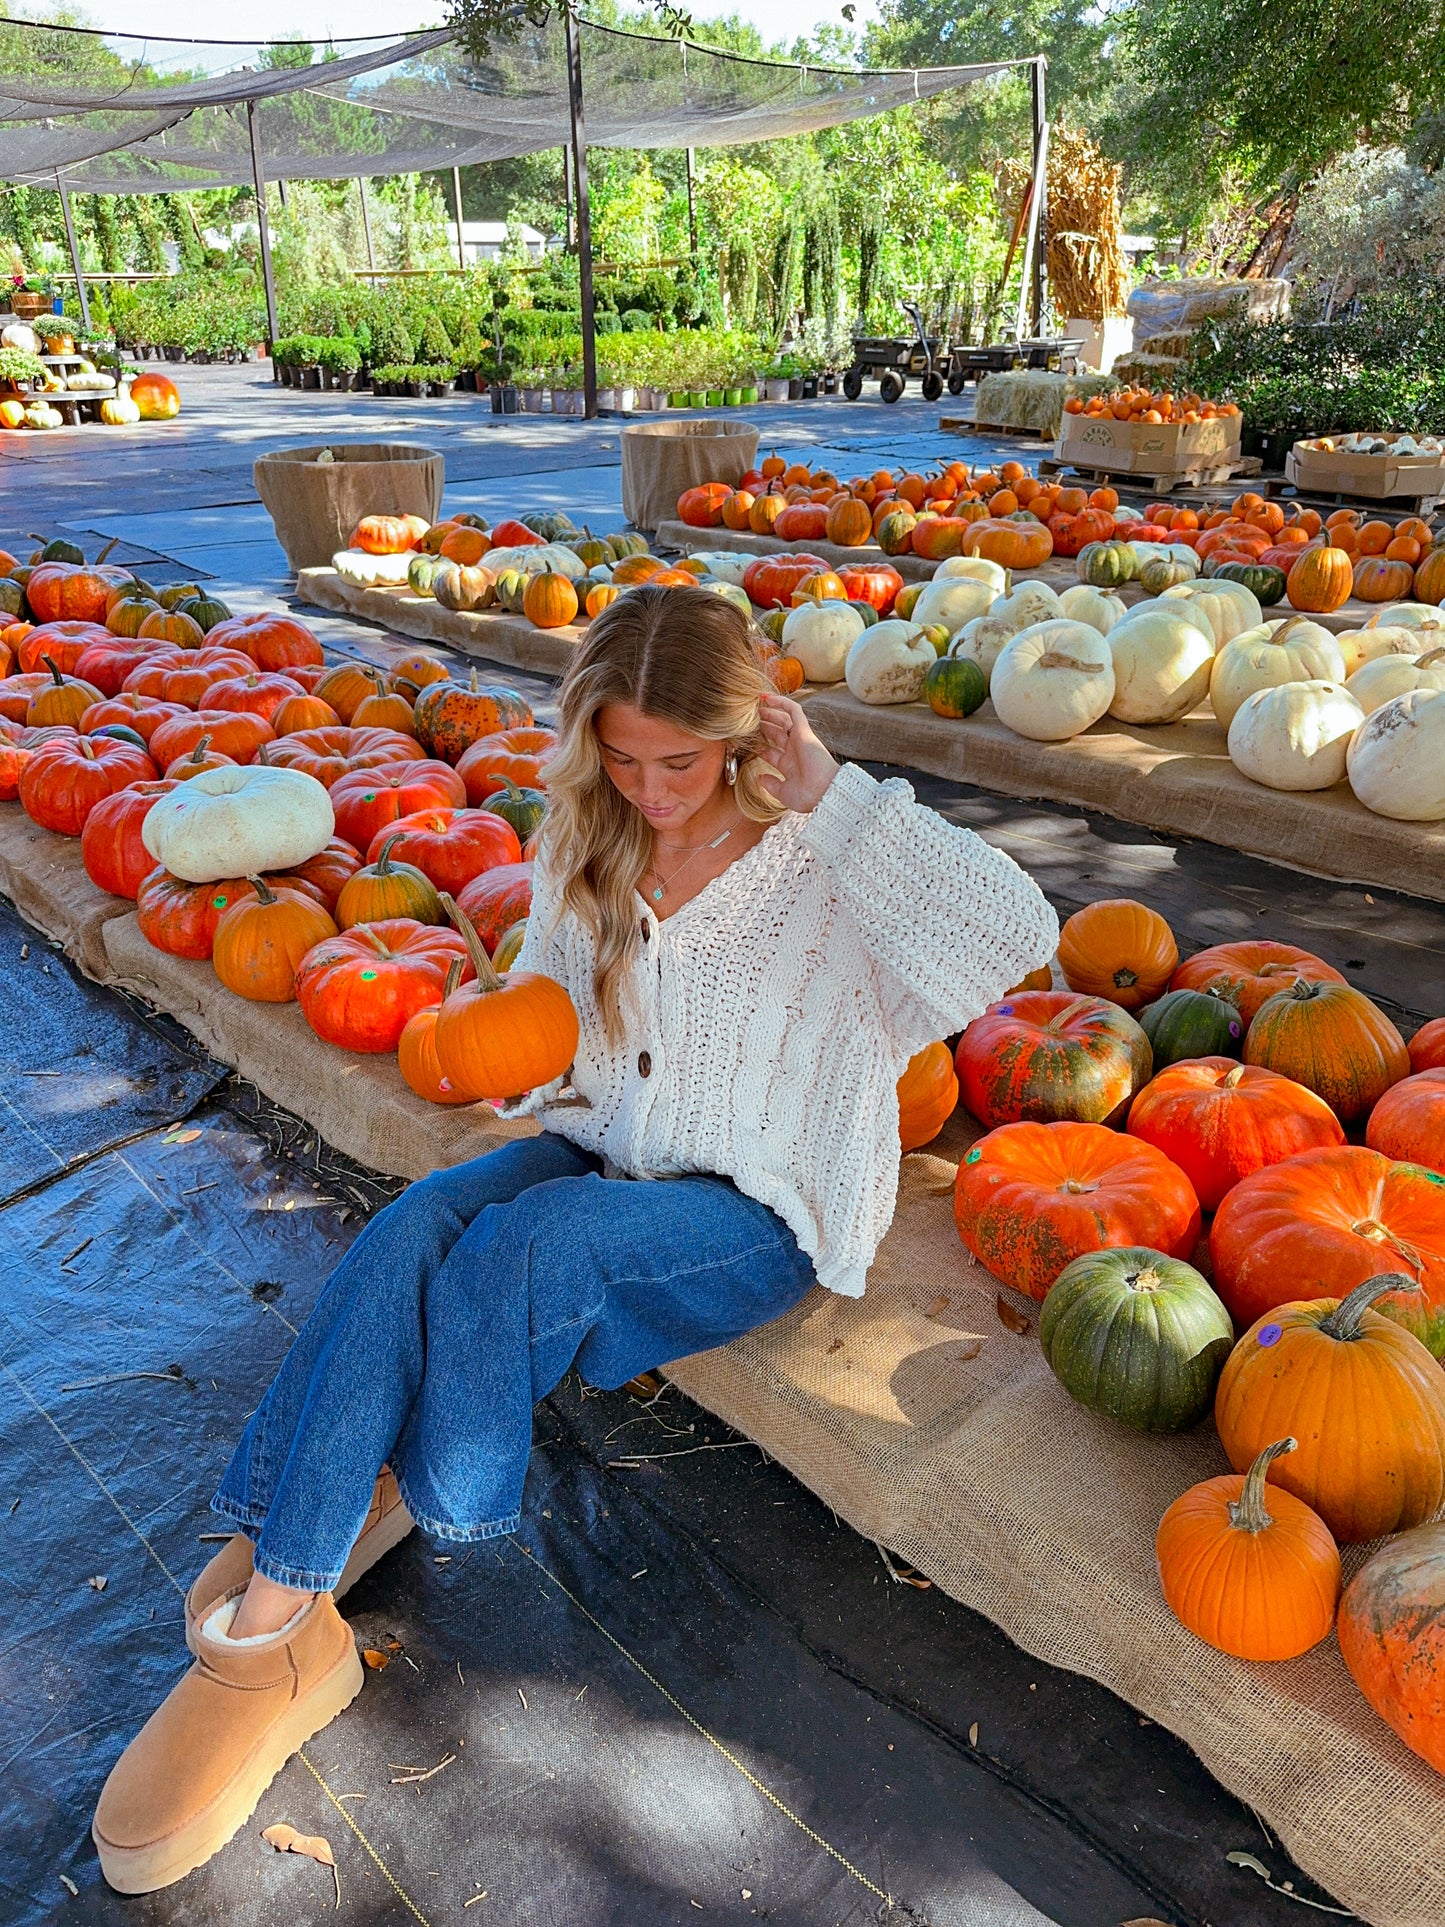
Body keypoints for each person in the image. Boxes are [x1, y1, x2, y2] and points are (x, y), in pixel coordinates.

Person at [92, 584, 1058, 1893]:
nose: (652, 788)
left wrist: (832, 791)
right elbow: (560, 1017)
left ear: (741, 735)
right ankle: (281, 1618)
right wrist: (506, 1039)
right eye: (622, 757)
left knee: (523, 1250)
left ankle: (376, 1507)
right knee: (415, 1226)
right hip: (607, 1149)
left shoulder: (829, 858)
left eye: (681, 760)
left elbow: (1016, 933)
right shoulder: (589, 840)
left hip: (757, 1211)